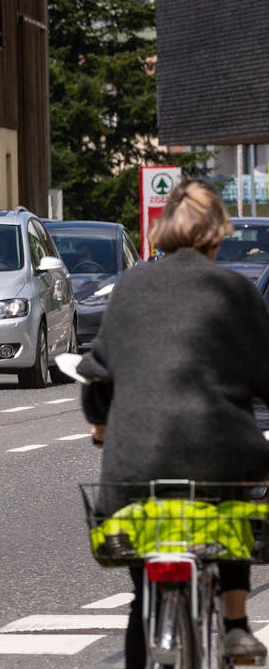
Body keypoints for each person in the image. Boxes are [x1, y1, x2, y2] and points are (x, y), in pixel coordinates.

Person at [77, 179, 269, 666]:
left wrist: (102, 430)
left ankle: (151, 610)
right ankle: (236, 624)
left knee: (143, 595)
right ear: (217, 234)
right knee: (231, 510)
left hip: (135, 461)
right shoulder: (236, 291)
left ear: (164, 231)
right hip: (222, 454)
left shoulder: (132, 285)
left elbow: (97, 374)